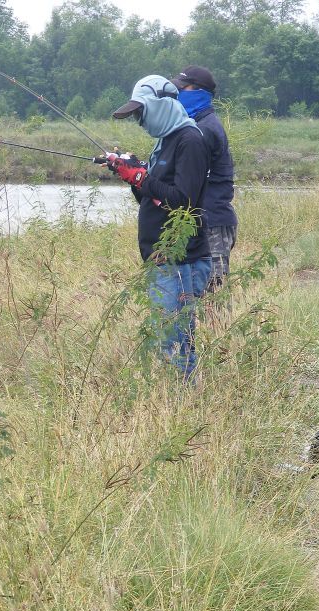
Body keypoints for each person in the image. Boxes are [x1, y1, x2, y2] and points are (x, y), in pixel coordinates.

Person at [107, 75, 212, 378]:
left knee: (175, 338)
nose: (139, 120)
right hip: (162, 258)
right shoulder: (165, 141)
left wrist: (141, 177)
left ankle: (182, 402)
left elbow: (184, 202)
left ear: (161, 105)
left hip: (183, 260)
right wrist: (131, 172)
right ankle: (172, 400)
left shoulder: (190, 141)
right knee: (165, 336)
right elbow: (151, 197)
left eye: (142, 112)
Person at [171, 66, 238, 294]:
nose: (178, 94)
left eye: (183, 89)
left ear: (199, 92)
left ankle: (219, 331)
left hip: (214, 222)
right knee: (195, 295)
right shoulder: (194, 127)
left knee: (213, 296)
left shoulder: (205, 129)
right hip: (204, 221)